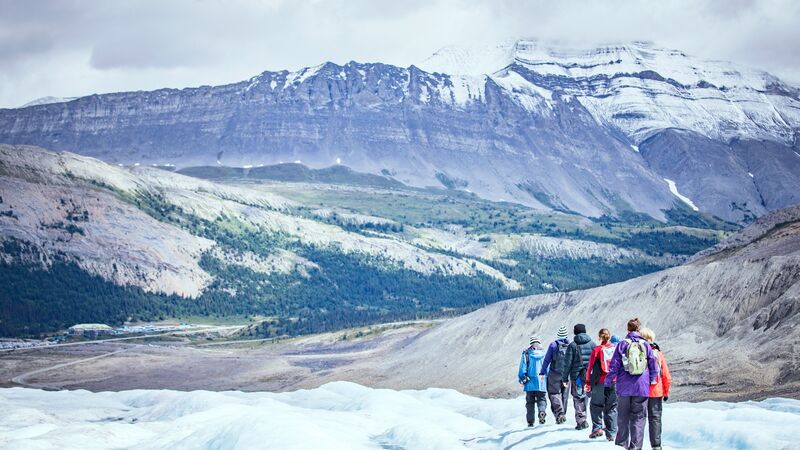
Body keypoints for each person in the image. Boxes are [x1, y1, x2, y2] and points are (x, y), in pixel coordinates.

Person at [604, 318, 658, 450]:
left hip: (624, 387)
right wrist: (650, 380)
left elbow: (614, 366)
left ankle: (621, 445)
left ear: (628, 329)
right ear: (639, 329)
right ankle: (635, 447)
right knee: (639, 418)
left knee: (623, 417)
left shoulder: (622, 344)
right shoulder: (646, 345)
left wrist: (608, 382)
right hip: (641, 387)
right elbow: (653, 365)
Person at [641, 327, 671, 450]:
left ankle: (636, 444)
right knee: (655, 418)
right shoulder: (658, 354)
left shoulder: (637, 352)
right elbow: (666, 375)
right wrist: (666, 392)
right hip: (655, 391)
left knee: (638, 418)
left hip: (639, 391)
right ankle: (656, 445)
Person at [585, 328, 618, 441]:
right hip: (614, 381)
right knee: (612, 407)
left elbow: (590, 368)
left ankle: (597, 428)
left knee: (596, 405)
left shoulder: (597, 350)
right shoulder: (615, 349)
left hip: (600, 382)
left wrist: (588, 382)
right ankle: (611, 433)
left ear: (600, 337)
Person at [562, 323, 596, 430]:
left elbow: (567, 364)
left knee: (578, 397)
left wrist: (564, 378)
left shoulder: (572, 345)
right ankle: (584, 418)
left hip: (576, 376)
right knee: (586, 396)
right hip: (589, 376)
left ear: (575, 332)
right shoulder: (592, 344)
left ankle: (581, 421)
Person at [539, 326, 570, 424]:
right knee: (565, 395)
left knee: (554, 393)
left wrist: (542, 372)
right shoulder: (570, 345)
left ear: (558, 335)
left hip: (554, 374)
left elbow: (547, 360)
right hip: (567, 374)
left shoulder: (553, 345)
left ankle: (560, 414)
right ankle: (562, 414)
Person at [518, 335, 548, 427]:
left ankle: (530, 422)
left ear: (531, 344)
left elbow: (523, 368)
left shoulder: (526, 354)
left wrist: (521, 378)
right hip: (541, 382)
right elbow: (548, 367)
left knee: (530, 402)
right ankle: (542, 412)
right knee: (541, 399)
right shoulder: (544, 353)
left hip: (529, 383)